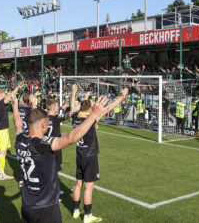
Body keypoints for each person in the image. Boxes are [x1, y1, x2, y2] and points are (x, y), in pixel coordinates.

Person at [13, 92, 109, 223]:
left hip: (27, 207)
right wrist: (93, 115)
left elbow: (17, 123)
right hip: (46, 208)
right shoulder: (44, 145)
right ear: (42, 125)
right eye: (47, 123)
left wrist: (14, 105)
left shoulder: (20, 140)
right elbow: (72, 137)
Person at [72, 88, 128, 223]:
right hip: (89, 155)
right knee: (89, 187)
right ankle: (87, 216)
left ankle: (75, 211)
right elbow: (108, 109)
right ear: (90, 109)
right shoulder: (91, 119)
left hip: (79, 153)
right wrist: (121, 98)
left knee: (78, 183)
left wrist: (80, 96)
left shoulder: (75, 116)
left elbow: (76, 107)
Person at [0, 81, 22, 180]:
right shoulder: (1, 103)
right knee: (3, 152)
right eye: (3, 93)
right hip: (2, 130)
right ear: (0, 95)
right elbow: (11, 95)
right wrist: (18, 87)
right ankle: (2, 174)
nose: (4, 94)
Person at [16, 93, 37, 187]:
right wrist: (34, 104)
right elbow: (36, 115)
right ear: (29, 101)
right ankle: (30, 178)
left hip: (20, 136)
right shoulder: (30, 110)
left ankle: (21, 180)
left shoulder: (19, 109)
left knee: (21, 159)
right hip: (29, 136)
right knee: (31, 158)